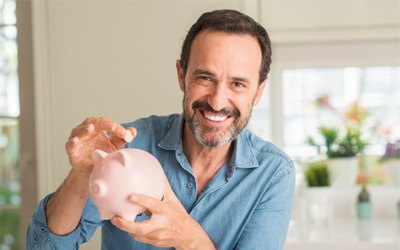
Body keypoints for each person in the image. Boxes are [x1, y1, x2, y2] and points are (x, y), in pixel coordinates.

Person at [26, 9, 295, 250]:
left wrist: (189, 239)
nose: (216, 101)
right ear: (182, 75)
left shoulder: (272, 173)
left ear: (259, 91)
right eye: (205, 77)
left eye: (238, 84)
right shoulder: (126, 147)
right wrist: (80, 175)